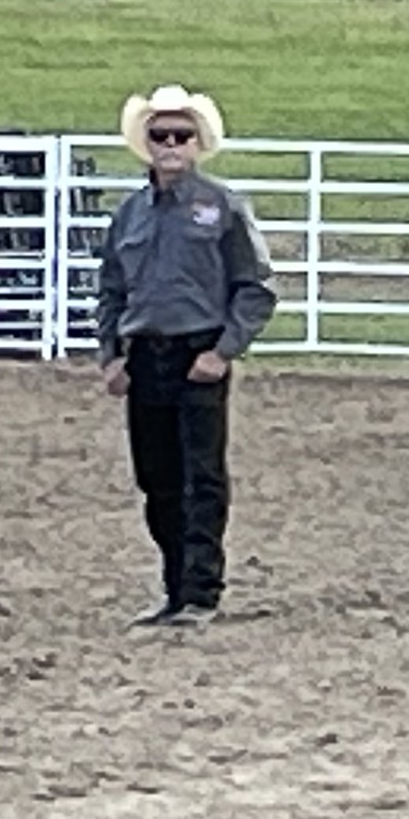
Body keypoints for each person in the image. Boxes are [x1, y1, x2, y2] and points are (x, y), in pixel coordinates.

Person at [97, 83, 278, 629]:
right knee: (157, 477)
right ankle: (176, 587)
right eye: (160, 134)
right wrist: (111, 354)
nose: (170, 143)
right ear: (147, 143)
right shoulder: (129, 215)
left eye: (180, 134)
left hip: (198, 351)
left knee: (202, 475)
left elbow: (255, 287)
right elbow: (111, 288)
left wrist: (223, 351)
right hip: (144, 355)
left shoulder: (222, 208)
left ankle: (200, 589)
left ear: (198, 142)